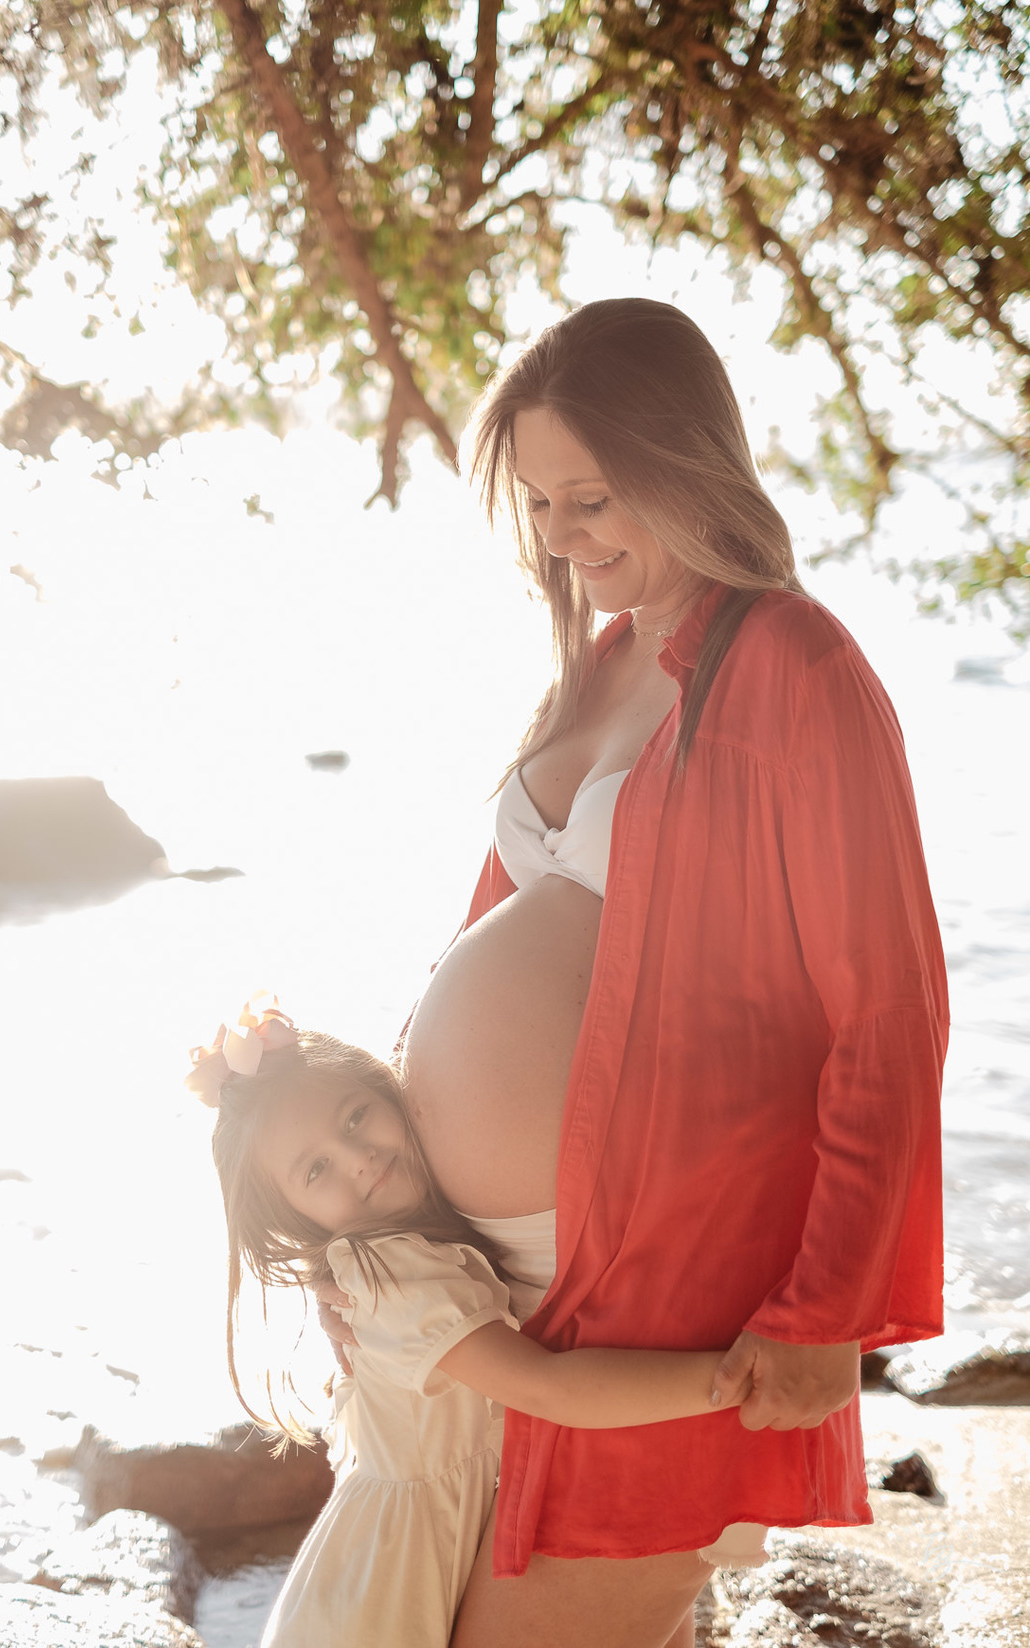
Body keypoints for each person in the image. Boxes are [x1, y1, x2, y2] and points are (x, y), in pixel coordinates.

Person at [316, 297, 947, 1647]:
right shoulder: (602, 663)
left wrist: (826, 1311)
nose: (561, 534)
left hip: (664, 1280)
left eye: (591, 495)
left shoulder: (793, 664)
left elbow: (885, 1016)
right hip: (510, 1281)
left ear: (683, 461)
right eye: (541, 503)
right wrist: (364, 1200)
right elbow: (489, 942)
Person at [186, 998, 750, 1648]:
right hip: (377, 1606)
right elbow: (547, 1387)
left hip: (410, 1559)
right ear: (297, 1217)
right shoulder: (389, 1274)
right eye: (317, 1170)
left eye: (356, 1116)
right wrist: (734, 1379)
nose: (357, 1157)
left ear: (389, 1091)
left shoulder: (422, 1238)